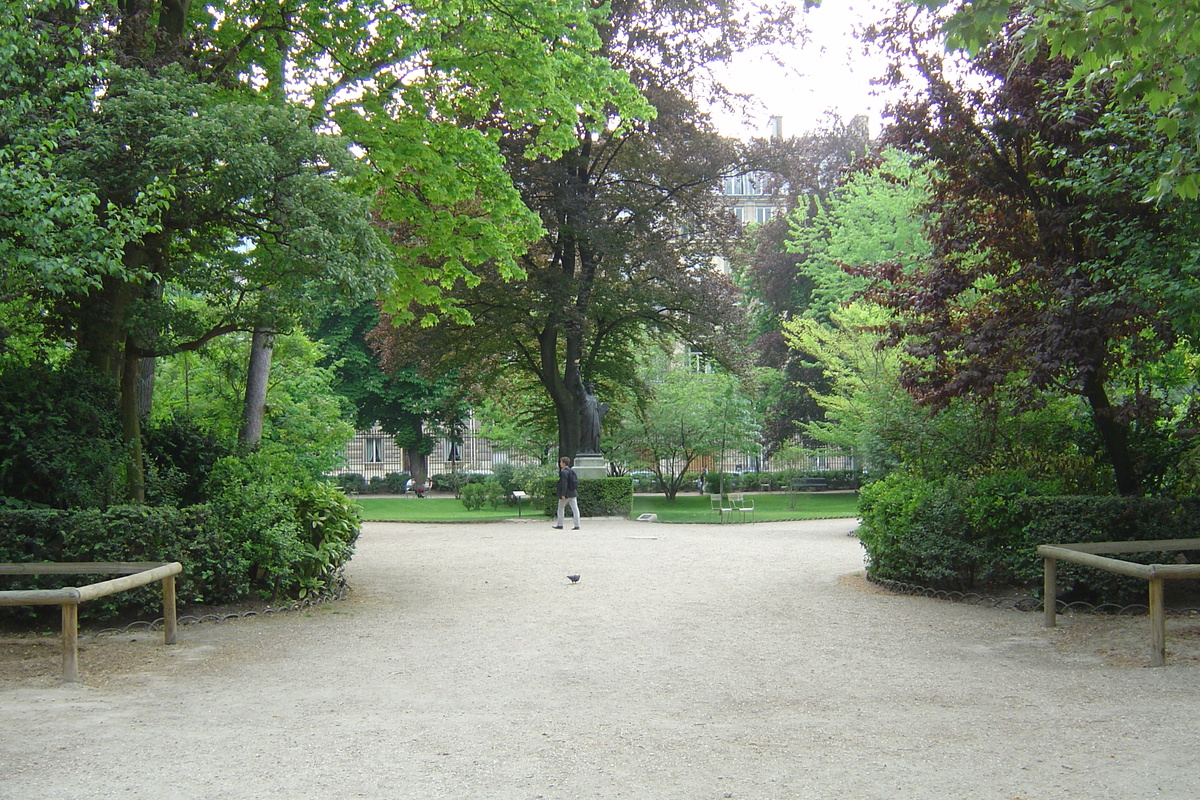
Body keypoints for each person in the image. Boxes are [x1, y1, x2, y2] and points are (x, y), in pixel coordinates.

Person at [553, 456, 581, 530]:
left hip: (566, 493)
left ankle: (560, 524)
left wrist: (563, 494)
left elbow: (564, 484)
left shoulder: (563, 472)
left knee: (561, 508)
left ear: (564, 463)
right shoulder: (571, 470)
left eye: (561, 462)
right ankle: (577, 524)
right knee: (575, 509)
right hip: (573, 492)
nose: (560, 464)